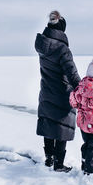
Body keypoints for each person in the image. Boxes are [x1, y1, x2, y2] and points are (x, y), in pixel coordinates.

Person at [34, 11, 81, 172]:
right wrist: (82, 90)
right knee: (62, 127)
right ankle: (59, 164)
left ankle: (49, 159)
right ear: (62, 30)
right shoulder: (62, 49)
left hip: (46, 91)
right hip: (62, 93)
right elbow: (72, 73)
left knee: (49, 123)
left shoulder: (43, 46)